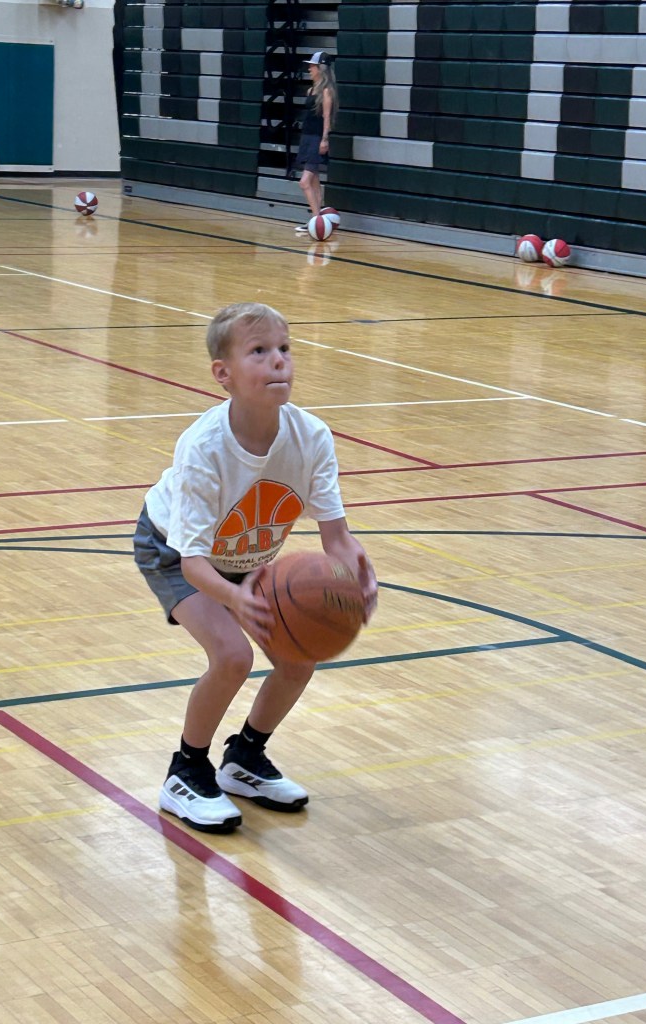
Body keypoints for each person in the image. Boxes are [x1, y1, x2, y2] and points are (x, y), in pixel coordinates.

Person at [133, 301, 377, 834]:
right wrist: (236, 599)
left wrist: (355, 568)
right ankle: (186, 771)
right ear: (223, 374)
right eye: (260, 352)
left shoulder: (311, 436)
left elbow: (336, 536)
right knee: (232, 655)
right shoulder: (202, 447)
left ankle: (244, 759)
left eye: (285, 350)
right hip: (175, 551)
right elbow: (194, 561)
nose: (278, 362)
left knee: (298, 659)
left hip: (249, 556)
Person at [294, 51, 338, 233]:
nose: (309, 69)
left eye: (312, 66)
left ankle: (316, 221)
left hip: (317, 139)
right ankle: (317, 219)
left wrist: (325, 139)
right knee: (314, 182)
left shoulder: (326, 91)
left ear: (321, 69)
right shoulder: (311, 90)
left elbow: (327, 117)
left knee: (304, 182)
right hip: (307, 136)